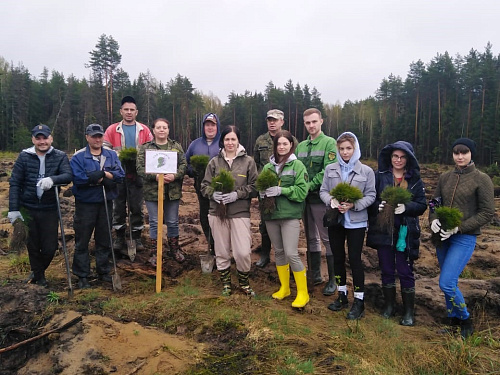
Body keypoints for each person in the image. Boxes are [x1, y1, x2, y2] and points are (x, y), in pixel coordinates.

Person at [429, 138, 494, 338]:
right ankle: (453, 321)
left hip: (463, 237)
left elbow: (487, 212)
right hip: (442, 237)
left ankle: (466, 321)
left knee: (446, 283)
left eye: (464, 152)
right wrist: (433, 219)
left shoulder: (481, 179)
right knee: (451, 282)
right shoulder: (445, 177)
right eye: (456, 153)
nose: (460, 156)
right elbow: (435, 203)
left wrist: (459, 228)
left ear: (471, 154)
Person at [366, 141, 426, 326]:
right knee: (386, 269)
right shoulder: (380, 177)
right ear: (390, 158)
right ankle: (389, 306)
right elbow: (371, 199)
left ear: (408, 159)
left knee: (405, 270)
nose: (398, 160)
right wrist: (379, 206)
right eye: (395, 156)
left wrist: (406, 208)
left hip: (405, 234)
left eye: (402, 157)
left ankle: (408, 312)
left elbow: (422, 205)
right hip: (384, 231)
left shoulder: (415, 180)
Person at [319, 132, 376, 319]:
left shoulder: (366, 172)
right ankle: (342, 295)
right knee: (337, 257)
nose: (345, 152)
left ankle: (359, 300)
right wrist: (332, 201)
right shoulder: (330, 169)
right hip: (336, 220)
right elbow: (323, 191)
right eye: (342, 149)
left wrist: (354, 205)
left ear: (355, 149)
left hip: (356, 222)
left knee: (355, 259)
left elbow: (371, 196)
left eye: (349, 148)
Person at [8, 124, 73, 287]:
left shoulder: (59, 156)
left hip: (50, 208)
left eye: (45, 137)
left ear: (51, 138)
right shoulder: (24, 156)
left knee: (50, 247)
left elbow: (67, 176)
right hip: (28, 207)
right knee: (33, 245)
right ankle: (40, 277)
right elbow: (15, 183)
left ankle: (37, 272)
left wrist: (52, 180)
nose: (42, 141)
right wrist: (14, 209)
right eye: (38, 138)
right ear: (33, 140)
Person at [201, 125, 258, 296]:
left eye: (233, 139)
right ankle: (226, 283)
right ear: (222, 141)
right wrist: (214, 194)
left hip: (240, 212)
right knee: (222, 251)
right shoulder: (214, 162)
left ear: (238, 140)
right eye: (227, 139)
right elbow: (204, 186)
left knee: (242, 252)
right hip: (217, 212)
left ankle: (244, 283)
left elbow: (254, 187)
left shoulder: (248, 162)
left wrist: (237, 194)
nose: (230, 142)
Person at [70, 124, 125, 288]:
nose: (97, 139)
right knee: (83, 239)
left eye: (100, 136)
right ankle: (82, 275)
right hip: (85, 204)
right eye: (94, 136)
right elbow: (78, 179)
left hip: (105, 202)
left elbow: (120, 175)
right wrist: (102, 178)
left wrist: (102, 174)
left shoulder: (111, 154)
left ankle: (103, 270)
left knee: (104, 238)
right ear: (87, 137)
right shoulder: (79, 156)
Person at [259, 130, 309, 308]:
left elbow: (302, 192)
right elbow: (260, 187)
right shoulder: (268, 167)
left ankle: (303, 293)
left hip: (289, 216)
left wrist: (282, 190)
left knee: (291, 253)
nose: (281, 147)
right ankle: (285, 288)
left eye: (285, 144)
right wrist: (262, 192)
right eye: (278, 144)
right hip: (272, 216)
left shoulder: (297, 166)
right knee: (278, 252)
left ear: (291, 145)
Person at [103, 95, 153, 253]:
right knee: (118, 206)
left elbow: (151, 150)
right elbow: (105, 149)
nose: (129, 112)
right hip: (117, 174)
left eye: (132, 110)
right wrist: (116, 159)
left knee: (136, 206)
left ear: (136, 112)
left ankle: (136, 236)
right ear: (121, 111)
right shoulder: (112, 130)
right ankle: (119, 236)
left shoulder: (144, 130)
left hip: (137, 174)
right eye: (126, 109)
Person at [296, 108, 338, 295]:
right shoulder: (301, 146)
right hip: (305, 200)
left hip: (321, 198)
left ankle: (333, 280)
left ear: (321, 121)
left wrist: (308, 186)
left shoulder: (330, 143)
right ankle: (315, 275)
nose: (311, 126)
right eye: (307, 123)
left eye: (314, 121)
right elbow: (297, 169)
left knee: (327, 238)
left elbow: (328, 169)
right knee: (311, 237)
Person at [137, 118, 187, 264]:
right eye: (158, 127)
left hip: (172, 192)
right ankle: (154, 252)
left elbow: (184, 164)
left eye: (164, 127)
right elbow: (140, 168)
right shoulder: (146, 148)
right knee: (154, 222)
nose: (161, 130)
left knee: (172, 221)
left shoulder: (176, 146)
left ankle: (174, 250)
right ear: (153, 130)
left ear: (168, 130)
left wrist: (175, 175)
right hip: (152, 192)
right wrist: (155, 177)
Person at [253, 109, 298, 268]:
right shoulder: (260, 140)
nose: (272, 123)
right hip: (266, 190)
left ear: (282, 122)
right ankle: (265, 255)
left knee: (287, 223)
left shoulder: (291, 140)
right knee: (265, 222)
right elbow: (257, 163)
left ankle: (289, 256)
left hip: (284, 189)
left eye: (275, 120)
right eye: (269, 120)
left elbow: (296, 163)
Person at [185, 113, 221, 254]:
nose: (210, 127)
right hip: (201, 187)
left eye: (213, 124)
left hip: (220, 188)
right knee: (204, 216)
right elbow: (186, 162)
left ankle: (222, 247)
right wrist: (193, 170)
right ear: (203, 127)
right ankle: (212, 246)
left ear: (217, 126)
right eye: (207, 125)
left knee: (219, 218)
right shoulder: (195, 144)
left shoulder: (223, 143)